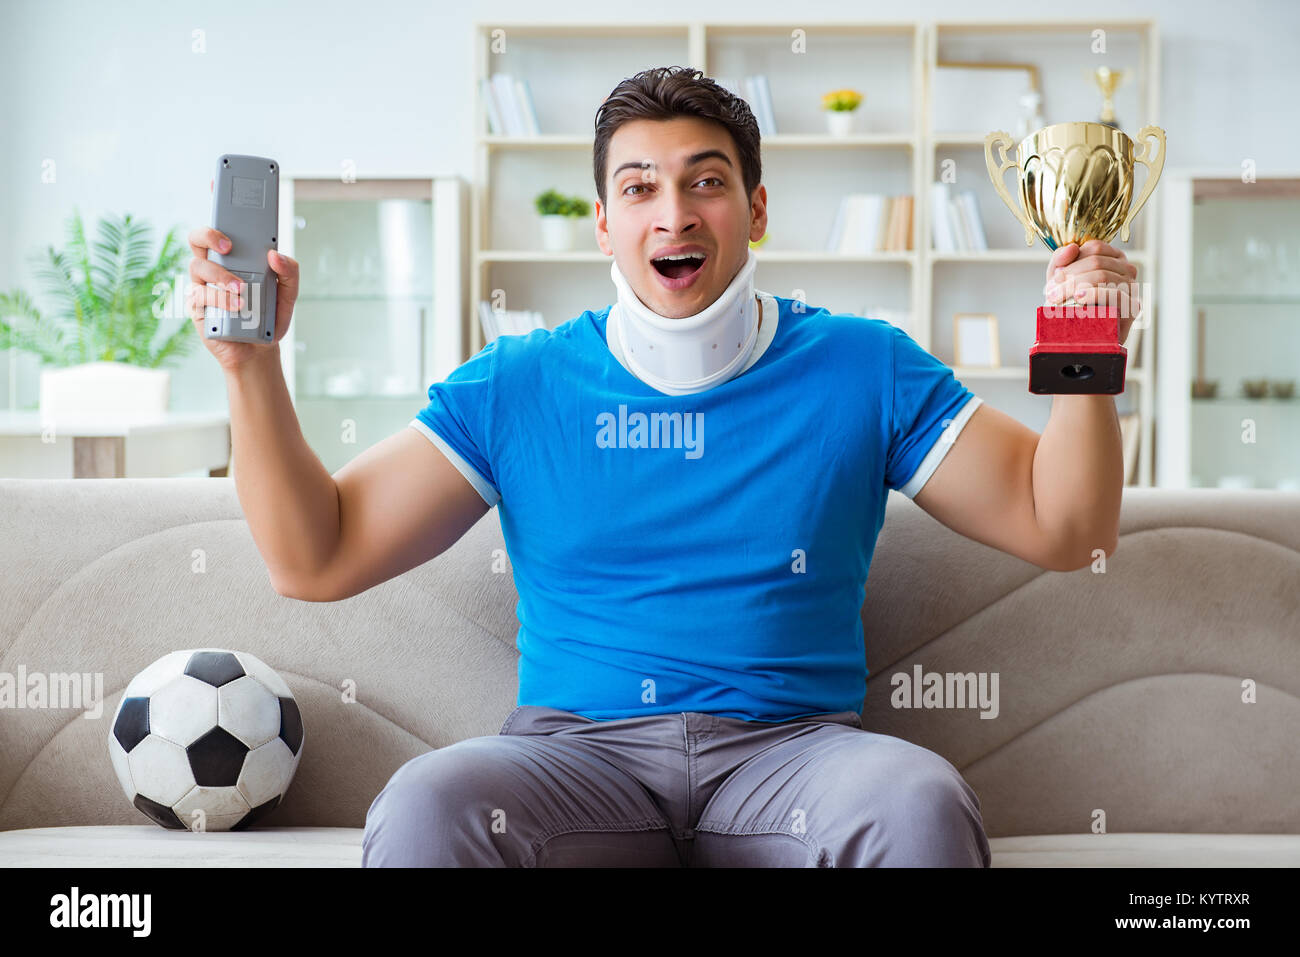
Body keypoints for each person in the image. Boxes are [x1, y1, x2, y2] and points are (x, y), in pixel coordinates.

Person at [187, 66, 1138, 867]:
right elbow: (315, 556)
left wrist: (1084, 341)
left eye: (706, 181)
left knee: (919, 802)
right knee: (426, 804)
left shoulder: (863, 365)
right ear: (603, 223)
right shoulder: (520, 384)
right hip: (574, 762)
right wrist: (250, 364)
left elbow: (1063, 526)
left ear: (756, 207)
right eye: (639, 187)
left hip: (795, 756)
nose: (673, 214)